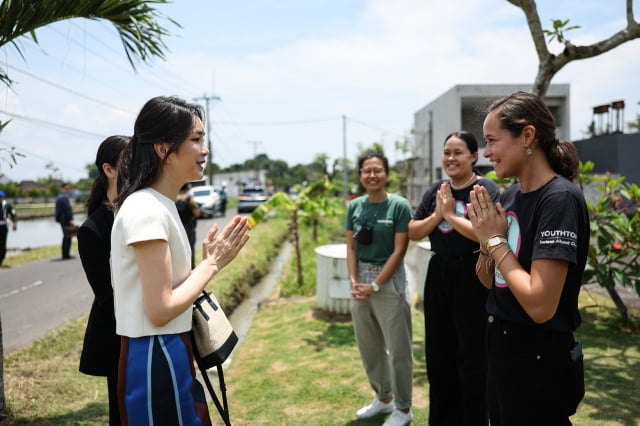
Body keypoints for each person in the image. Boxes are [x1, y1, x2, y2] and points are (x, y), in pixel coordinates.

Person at [111, 95, 250, 425]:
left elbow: (169, 292)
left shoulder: (160, 204)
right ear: (163, 148)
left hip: (169, 346)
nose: (205, 150)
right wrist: (212, 264)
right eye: (196, 139)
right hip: (154, 353)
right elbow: (160, 309)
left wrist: (206, 264)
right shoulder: (145, 209)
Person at [468, 91, 589, 426]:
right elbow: (489, 280)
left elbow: (540, 304)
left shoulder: (559, 199)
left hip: (537, 360)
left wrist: (494, 239)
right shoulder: (511, 196)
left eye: (492, 140)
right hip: (503, 348)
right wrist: (485, 241)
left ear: (527, 136)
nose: (487, 153)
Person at [408, 131, 499, 425]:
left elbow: (487, 234)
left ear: (474, 156)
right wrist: (439, 214)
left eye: (458, 152)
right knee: (439, 352)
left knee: (472, 354)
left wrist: (450, 216)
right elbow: (413, 231)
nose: (451, 158)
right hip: (440, 273)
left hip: (474, 274)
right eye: (447, 152)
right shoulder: (438, 190)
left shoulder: (484, 189)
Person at [344, 151, 414, 426]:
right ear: (360, 175)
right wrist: (354, 282)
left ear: (386, 173)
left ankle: (404, 408)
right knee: (369, 346)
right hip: (360, 280)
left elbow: (400, 251)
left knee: (398, 348)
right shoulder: (355, 206)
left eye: (377, 170)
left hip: (388, 282)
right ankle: (383, 398)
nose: (371, 175)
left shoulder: (399, 206)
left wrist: (375, 285)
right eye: (366, 171)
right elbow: (351, 246)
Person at [77, 135, 129, 425]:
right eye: (129, 161)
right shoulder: (93, 230)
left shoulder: (139, 209)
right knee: (122, 413)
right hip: (117, 334)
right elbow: (106, 295)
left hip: (147, 327)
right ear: (109, 170)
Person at [176, 182, 201, 269]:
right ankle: (191, 268)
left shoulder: (172, 198)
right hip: (188, 227)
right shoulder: (189, 199)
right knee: (190, 249)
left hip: (176, 228)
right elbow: (197, 213)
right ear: (187, 188)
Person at [55, 182, 75, 260]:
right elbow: (66, 210)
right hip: (66, 220)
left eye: (69, 189)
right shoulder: (62, 197)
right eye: (66, 188)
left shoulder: (63, 197)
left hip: (64, 220)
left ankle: (66, 253)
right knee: (67, 236)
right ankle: (65, 254)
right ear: (62, 188)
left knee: (67, 236)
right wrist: (70, 220)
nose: (68, 190)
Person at [0, 190, 17, 267]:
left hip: (3, 227)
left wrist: (14, 223)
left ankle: (1, 259)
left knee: (2, 245)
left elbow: (13, 214)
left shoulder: (7, 205)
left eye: (1, 197)